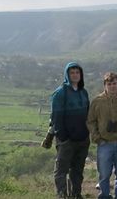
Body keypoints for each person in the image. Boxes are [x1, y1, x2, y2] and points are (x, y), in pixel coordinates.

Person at [50, 62, 91, 199]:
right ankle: (62, 195)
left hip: (83, 139)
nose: (75, 75)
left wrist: (87, 133)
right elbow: (56, 117)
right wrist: (63, 137)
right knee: (61, 170)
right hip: (67, 141)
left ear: (81, 75)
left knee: (78, 170)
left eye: (77, 72)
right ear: (67, 74)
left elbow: (88, 115)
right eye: (72, 72)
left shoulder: (83, 92)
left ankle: (76, 194)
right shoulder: (60, 93)